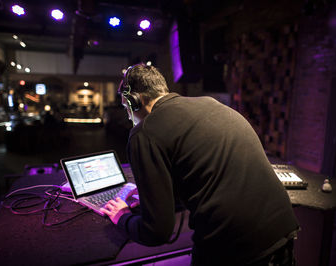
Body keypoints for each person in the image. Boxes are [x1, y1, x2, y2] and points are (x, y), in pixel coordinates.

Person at [100, 63, 299, 265]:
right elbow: (206, 174)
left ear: (136, 101)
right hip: (282, 231)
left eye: (127, 107)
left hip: (236, 249)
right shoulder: (211, 104)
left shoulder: (144, 133)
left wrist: (122, 217)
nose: (127, 115)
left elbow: (156, 232)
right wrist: (155, 201)